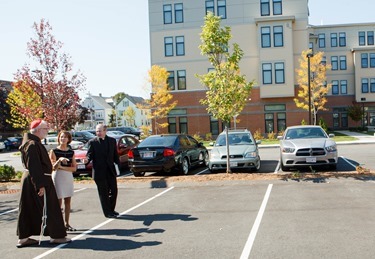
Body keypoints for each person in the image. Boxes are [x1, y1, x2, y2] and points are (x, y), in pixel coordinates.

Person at [16, 119, 71, 248]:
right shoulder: (32, 144)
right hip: (38, 180)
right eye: (46, 129)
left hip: (33, 180)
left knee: (28, 208)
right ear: (38, 130)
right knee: (51, 207)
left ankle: (24, 238)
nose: (47, 131)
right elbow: (34, 165)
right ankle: (57, 236)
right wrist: (39, 184)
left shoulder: (31, 142)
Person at [86, 124, 120, 218]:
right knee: (103, 193)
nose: (98, 133)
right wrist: (86, 160)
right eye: (97, 131)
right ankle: (107, 212)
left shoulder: (112, 141)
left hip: (110, 170)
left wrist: (118, 166)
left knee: (114, 191)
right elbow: (89, 155)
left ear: (105, 131)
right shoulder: (92, 142)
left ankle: (111, 209)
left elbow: (115, 155)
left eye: (100, 131)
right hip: (99, 172)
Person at [49, 131, 77, 231]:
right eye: (61, 137)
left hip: (68, 177)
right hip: (58, 177)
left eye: (65, 137)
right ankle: (58, 224)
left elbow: (74, 168)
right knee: (58, 201)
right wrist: (59, 160)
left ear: (68, 139)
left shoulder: (71, 152)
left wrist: (63, 168)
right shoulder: (54, 151)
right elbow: (53, 167)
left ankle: (67, 223)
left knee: (68, 201)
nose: (63, 139)